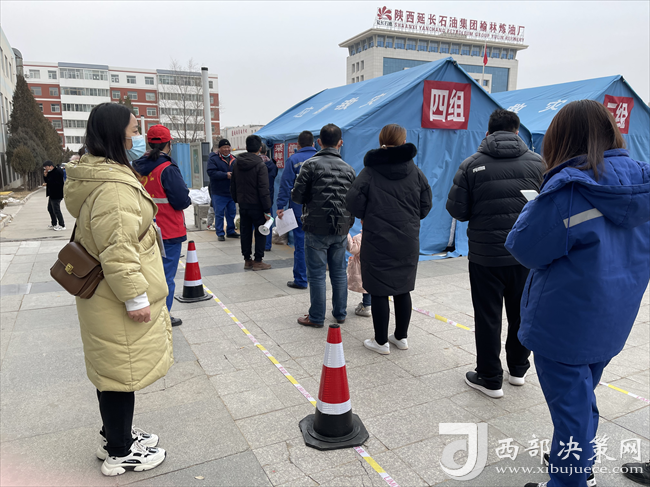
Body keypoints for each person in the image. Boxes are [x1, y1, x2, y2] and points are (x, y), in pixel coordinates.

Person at [503, 100, 650, 487]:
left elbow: (524, 247)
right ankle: (578, 467)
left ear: (561, 140)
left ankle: (569, 480)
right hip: (613, 319)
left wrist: (538, 205)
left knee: (571, 412)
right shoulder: (643, 184)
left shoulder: (570, 191)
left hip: (564, 327)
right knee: (582, 401)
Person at [64, 103, 173, 476]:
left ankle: (115, 435)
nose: (138, 136)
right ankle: (121, 452)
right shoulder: (113, 188)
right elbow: (118, 249)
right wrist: (135, 298)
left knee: (111, 370)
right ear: (116, 134)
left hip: (103, 293)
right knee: (120, 373)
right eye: (134, 129)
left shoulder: (101, 173)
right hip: (114, 296)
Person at [446, 109, 544, 398]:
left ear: (488, 132)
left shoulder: (471, 164)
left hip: (485, 255)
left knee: (488, 316)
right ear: (517, 132)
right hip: (525, 254)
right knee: (521, 312)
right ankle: (518, 369)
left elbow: (458, 210)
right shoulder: (539, 164)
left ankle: (489, 377)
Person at [347, 124, 432, 354]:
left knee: (379, 290)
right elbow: (426, 204)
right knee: (403, 289)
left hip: (377, 238)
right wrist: (410, 219)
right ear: (403, 141)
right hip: (407, 239)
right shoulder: (415, 171)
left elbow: (352, 201)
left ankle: (381, 341)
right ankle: (401, 337)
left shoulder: (370, 171)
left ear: (381, 140)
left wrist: (366, 215)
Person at [292, 124, 356, 327]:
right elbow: (354, 200)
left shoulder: (309, 165)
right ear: (340, 143)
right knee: (339, 272)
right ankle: (340, 313)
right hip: (341, 227)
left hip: (316, 226)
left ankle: (317, 317)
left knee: (317, 274)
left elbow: (297, 196)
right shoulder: (349, 169)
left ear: (319, 142)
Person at [133, 124, 191, 328]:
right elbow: (181, 200)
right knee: (165, 277)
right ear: (169, 144)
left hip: (142, 230)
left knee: (146, 274)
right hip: (168, 231)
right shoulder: (167, 169)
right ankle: (162, 316)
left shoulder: (135, 168)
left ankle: (147, 313)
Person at [276, 131, 318, 290]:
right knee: (319, 244)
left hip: (299, 209)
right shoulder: (321, 158)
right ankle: (316, 278)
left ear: (297, 145)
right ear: (314, 144)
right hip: (321, 209)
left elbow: (286, 185)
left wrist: (280, 206)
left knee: (301, 243)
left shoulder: (293, 160)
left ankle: (301, 279)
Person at [230, 134, 272, 270]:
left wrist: (237, 199)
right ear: (260, 148)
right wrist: (267, 209)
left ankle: (247, 260)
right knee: (260, 232)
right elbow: (263, 189)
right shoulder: (260, 165)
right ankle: (258, 261)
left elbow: (233, 184)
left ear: (246, 147)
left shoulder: (237, 163)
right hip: (257, 205)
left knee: (245, 232)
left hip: (243, 204)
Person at [207, 139, 239, 241]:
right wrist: (225, 175)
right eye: (224, 147)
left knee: (231, 213)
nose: (226, 149)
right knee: (219, 213)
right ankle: (220, 233)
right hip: (218, 192)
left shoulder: (234, 159)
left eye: (228, 147)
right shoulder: (213, 159)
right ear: (219, 149)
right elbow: (211, 172)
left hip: (231, 192)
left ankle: (231, 231)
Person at [346, 228, 371, 317]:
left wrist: (347, 234)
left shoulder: (360, 237)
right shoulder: (380, 235)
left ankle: (367, 306)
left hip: (362, 267)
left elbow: (352, 249)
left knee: (366, 287)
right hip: (375, 266)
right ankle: (369, 304)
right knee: (372, 286)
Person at [259, 143, 278, 251]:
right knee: (268, 221)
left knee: (254, 221)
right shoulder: (273, 165)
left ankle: (257, 244)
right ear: (266, 152)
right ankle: (267, 245)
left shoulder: (254, 164)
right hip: (268, 197)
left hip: (255, 198)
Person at [43, 160, 66, 230]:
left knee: (56, 210)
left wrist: (48, 183)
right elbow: (47, 180)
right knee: (50, 209)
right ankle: (54, 223)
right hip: (52, 194)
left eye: (46, 167)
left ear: (50, 166)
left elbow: (56, 183)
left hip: (57, 193)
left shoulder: (57, 171)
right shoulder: (51, 172)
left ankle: (62, 225)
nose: (45, 169)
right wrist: (45, 176)